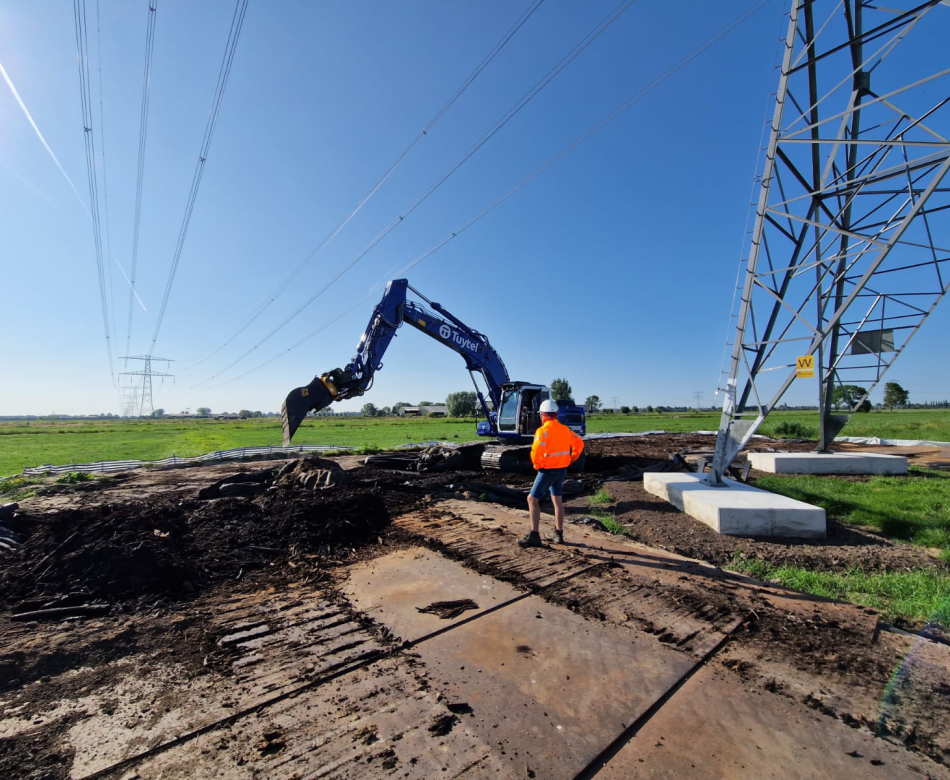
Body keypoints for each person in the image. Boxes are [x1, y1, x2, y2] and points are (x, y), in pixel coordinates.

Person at [518, 398, 585, 547]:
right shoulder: (565, 430)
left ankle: (534, 535)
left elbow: (536, 451)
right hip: (561, 470)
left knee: (532, 499)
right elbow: (579, 443)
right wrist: (572, 458)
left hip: (547, 471)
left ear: (542, 414)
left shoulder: (542, 431)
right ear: (556, 413)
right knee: (557, 500)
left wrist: (537, 465)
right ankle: (558, 533)